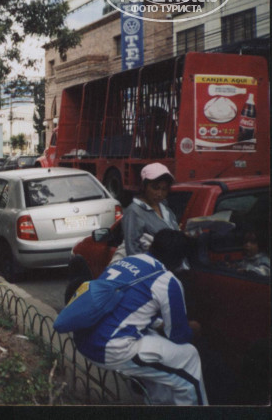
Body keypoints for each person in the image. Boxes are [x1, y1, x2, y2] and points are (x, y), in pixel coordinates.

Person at [73, 229, 208, 405]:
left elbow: (125, 307)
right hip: (107, 347)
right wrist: (194, 329)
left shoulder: (127, 261)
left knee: (164, 359)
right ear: (178, 261)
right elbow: (178, 335)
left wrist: (158, 324)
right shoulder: (167, 280)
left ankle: (158, 404)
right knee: (188, 357)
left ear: (152, 246)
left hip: (82, 337)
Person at [115, 163, 180, 261]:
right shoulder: (134, 212)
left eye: (164, 189)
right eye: (155, 188)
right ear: (144, 187)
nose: (160, 194)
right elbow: (133, 251)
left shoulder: (165, 208)